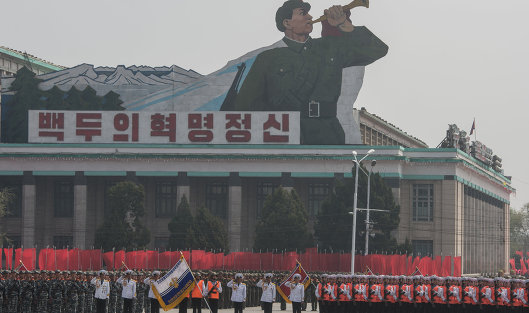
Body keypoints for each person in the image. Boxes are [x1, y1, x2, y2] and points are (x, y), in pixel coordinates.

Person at [231, 0, 388, 145]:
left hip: (327, 132)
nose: (310, 16)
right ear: (287, 23)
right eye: (302, 13)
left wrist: (344, 24)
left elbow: (377, 50)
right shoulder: (268, 58)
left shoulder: (330, 47)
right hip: (283, 135)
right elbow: (245, 105)